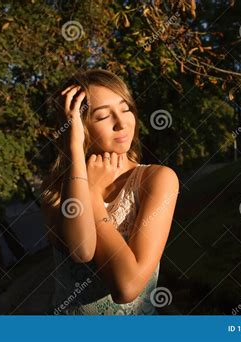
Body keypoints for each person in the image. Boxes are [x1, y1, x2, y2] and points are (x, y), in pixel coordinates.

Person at [40, 69, 179, 315]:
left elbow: (127, 287)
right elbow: (81, 250)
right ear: (79, 128)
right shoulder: (57, 188)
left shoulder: (157, 179)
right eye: (103, 116)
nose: (121, 122)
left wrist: (92, 195)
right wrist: (74, 149)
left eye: (126, 109)